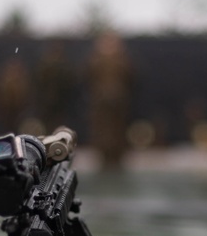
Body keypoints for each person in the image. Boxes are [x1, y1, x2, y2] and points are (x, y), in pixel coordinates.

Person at [86, 31, 133, 169]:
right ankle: (103, 155)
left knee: (117, 129)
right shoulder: (95, 60)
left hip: (119, 100)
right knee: (101, 129)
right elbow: (88, 76)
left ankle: (117, 157)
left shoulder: (123, 60)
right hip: (100, 100)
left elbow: (131, 77)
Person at [33, 41, 77, 132]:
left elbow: (68, 81)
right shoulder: (45, 65)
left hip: (60, 102)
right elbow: (40, 81)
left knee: (59, 125)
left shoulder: (63, 65)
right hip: (46, 102)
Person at [0, 55, 30, 134]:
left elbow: (24, 97)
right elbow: (1, 97)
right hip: (7, 112)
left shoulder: (21, 81)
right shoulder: (5, 81)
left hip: (19, 113)